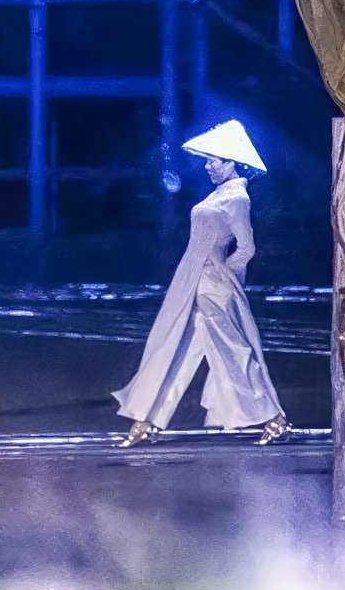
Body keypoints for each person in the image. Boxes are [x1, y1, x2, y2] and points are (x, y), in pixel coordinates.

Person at [114, 120, 290, 446]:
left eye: (214, 160)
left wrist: (224, 273)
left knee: (234, 353)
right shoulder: (222, 194)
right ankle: (146, 421)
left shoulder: (237, 197)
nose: (208, 166)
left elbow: (246, 246)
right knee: (173, 348)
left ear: (231, 162)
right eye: (208, 160)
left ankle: (274, 419)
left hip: (213, 286)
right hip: (193, 280)